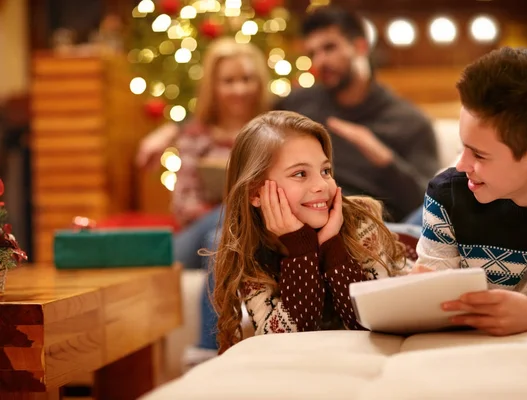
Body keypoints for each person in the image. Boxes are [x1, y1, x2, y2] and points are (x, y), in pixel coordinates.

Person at [416, 47, 527, 334]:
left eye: (479, 155)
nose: (462, 164)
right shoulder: (445, 197)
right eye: (462, 147)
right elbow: (431, 303)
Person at [212, 111, 410, 353]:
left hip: (409, 243)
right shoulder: (252, 252)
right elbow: (279, 341)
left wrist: (332, 247)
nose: (321, 185)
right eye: (300, 174)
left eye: (325, 171)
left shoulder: (360, 218)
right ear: (255, 192)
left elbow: (372, 322)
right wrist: (301, 250)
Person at [136, 38, 271, 358]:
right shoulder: (196, 136)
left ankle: (207, 353)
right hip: (192, 235)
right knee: (226, 214)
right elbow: (182, 205)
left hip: (244, 237)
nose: (239, 89)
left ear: (259, 82)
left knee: (220, 236)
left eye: (247, 79)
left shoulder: (270, 132)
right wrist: (224, 204)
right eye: (229, 81)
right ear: (214, 86)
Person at [277, 6, 440, 223]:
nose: (320, 62)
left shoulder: (410, 121)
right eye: (313, 53)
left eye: (329, 48)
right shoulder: (298, 105)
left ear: (360, 46)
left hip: (375, 226)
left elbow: (427, 206)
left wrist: (385, 160)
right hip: (304, 217)